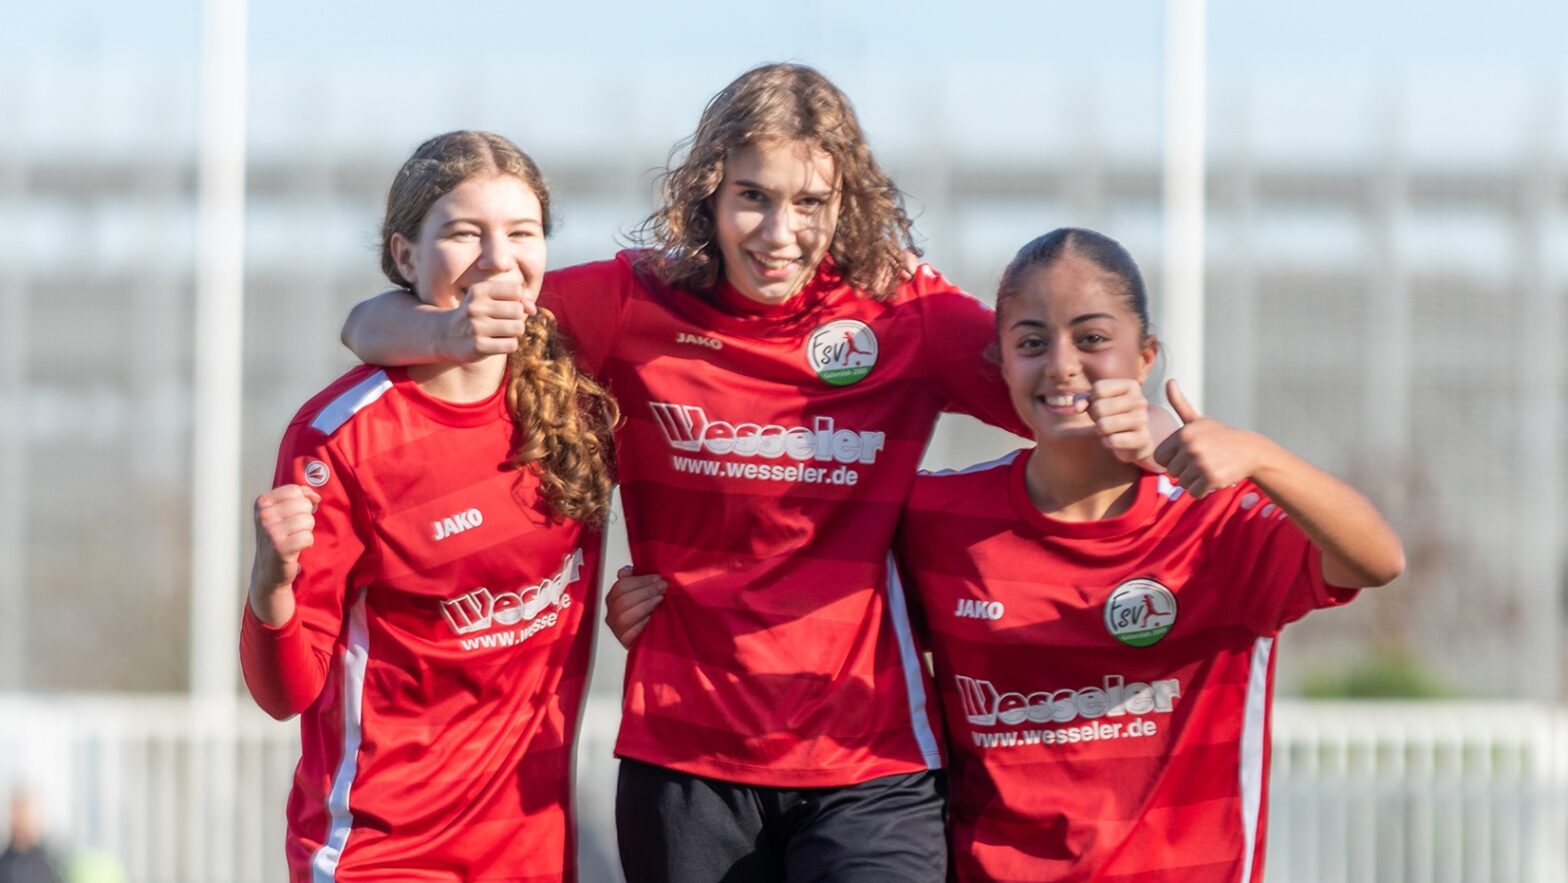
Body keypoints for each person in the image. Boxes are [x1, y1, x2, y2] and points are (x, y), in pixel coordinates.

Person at [342, 64, 1161, 882]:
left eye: (810, 202)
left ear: (846, 202)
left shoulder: (905, 312)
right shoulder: (637, 301)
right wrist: (449, 333)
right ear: (708, 192)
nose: (780, 232)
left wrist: (1154, 429)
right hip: (684, 754)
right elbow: (370, 324)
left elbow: (1057, 393)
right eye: (753, 197)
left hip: (870, 762)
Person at [893, 228, 1405, 881]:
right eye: (1031, 342)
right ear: (999, 363)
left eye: (1093, 338)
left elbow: (1378, 558)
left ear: (1146, 357)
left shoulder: (1214, 519)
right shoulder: (939, 517)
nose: (1061, 364)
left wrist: (1257, 455)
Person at [240, 131, 619, 881]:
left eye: (522, 232)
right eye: (463, 233)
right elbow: (286, 693)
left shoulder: (583, 395)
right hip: (382, 854)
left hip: (533, 855)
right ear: (406, 256)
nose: (497, 259)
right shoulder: (340, 436)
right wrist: (270, 585)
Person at [0, 790, 62, 883]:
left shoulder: (49, 863)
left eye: (26, 816)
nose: (21, 822)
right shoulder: (4, 863)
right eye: (18, 815)